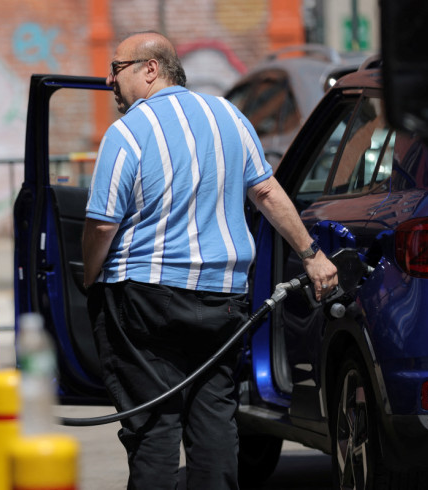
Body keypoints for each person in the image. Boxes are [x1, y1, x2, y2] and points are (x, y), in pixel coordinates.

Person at [82, 31, 338, 490]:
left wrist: (91, 275)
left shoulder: (126, 133)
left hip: (143, 298)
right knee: (214, 417)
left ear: (151, 68)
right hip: (221, 297)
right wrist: (312, 254)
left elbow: (102, 224)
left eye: (116, 69)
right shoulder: (230, 116)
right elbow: (265, 191)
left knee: (153, 425)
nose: (109, 80)